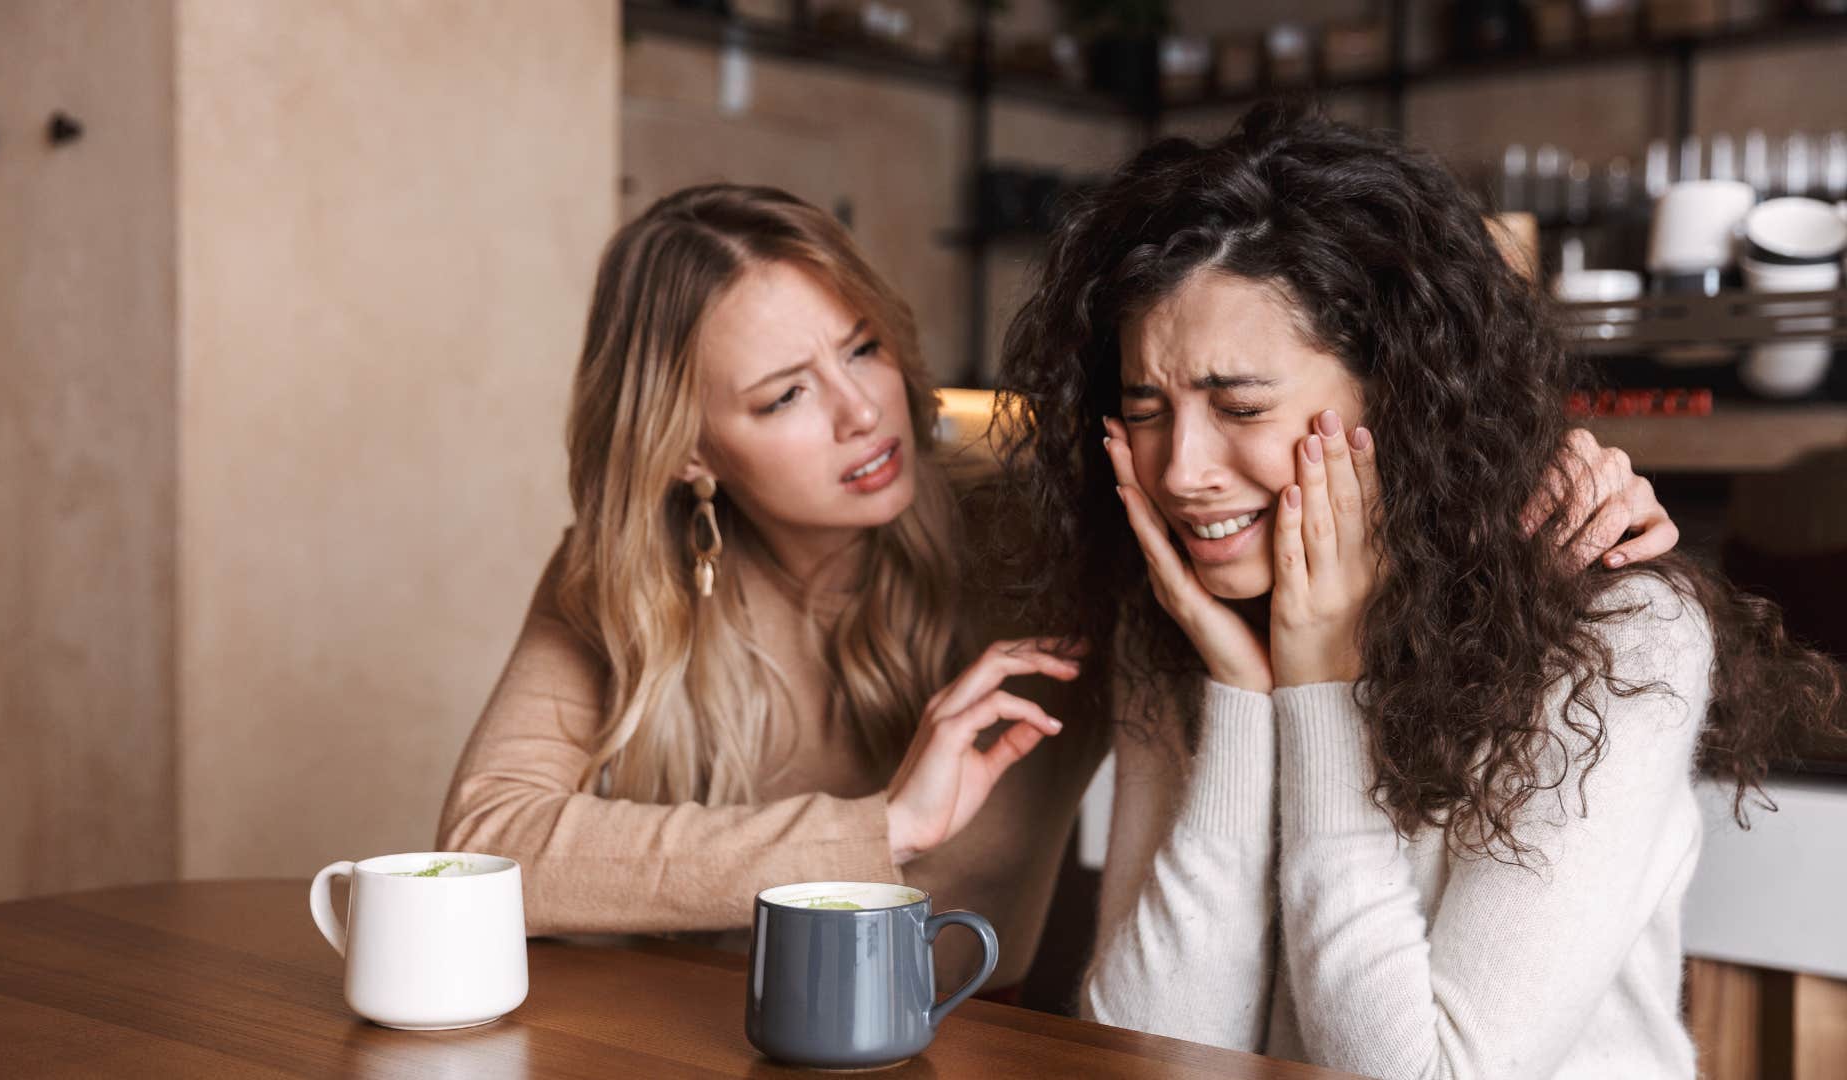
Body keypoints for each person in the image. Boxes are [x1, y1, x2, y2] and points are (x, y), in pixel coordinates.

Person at [438, 179, 1680, 999]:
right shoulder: (624, 567)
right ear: (689, 451)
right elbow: (486, 847)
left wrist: (1539, 470)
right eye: (784, 396)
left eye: (862, 345)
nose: (866, 409)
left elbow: (1285, 481)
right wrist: (882, 830)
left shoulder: (1044, 527)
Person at [994, 104, 1841, 1076]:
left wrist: (1318, 693)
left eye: (1240, 406)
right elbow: (1154, 1052)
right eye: (1146, 409)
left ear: (1397, 398)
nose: (1183, 469)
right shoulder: (1181, 623)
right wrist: (1243, 696)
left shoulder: (1613, 634)